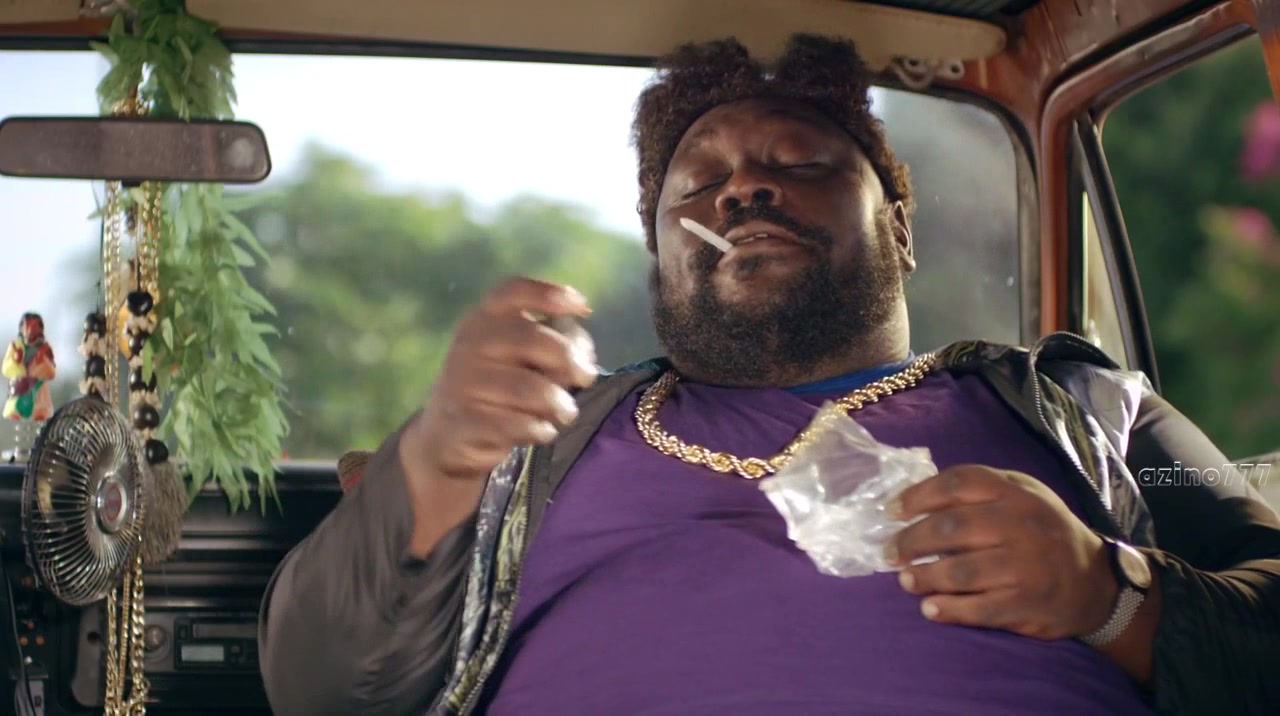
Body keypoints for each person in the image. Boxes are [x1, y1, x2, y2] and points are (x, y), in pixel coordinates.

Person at [257, 34, 1280, 716]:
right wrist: (433, 462)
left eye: (797, 163)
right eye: (698, 185)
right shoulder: (529, 443)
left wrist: (1112, 595)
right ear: (661, 257)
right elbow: (317, 689)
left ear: (900, 228)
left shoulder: (1087, 407)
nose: (743, 188)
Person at [3, 312, 56, 422]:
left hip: (38, 387)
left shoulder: (45, 348)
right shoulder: (15, 346)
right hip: (19, 386)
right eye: (26, 327)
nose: (30, 332)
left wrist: (42, 362)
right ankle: (16, 411)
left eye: (34, 327)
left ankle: (40, 413)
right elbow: (5, 368)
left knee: (40, 406)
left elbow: (52, 372)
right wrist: (15, 361)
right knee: (15, 408)